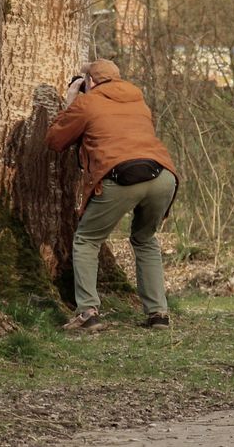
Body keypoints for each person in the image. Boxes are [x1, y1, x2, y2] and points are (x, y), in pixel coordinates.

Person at [46, 59, 178, 332]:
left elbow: (55, 140)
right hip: (163, 175)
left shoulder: (87, 103)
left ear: (90, 82)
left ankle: (88, 313)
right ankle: (158, 314)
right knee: (145, 239)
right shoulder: (138, 102)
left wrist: (71, 100)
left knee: (86, 240)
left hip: (121, 176)